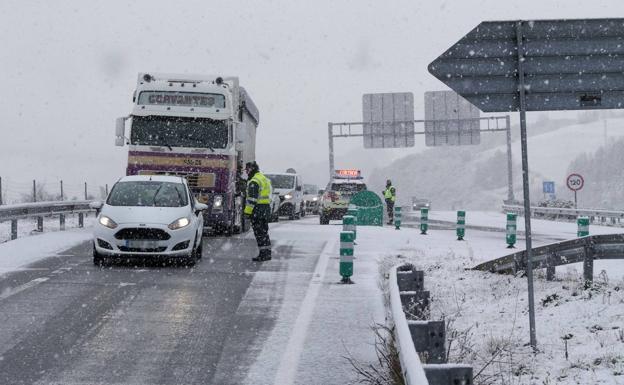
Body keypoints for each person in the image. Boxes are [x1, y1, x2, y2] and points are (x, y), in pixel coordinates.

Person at [244, 161, 272, 261]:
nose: (246, 172)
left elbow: (252, 200)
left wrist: (247, 212)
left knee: (259, 233)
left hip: (258, 211)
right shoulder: (263, 178)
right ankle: (267, 253)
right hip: (265, 209)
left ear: (251, 169)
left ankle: (263, 254)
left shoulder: (254, 181)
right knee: (264, 233)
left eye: (247, 169)